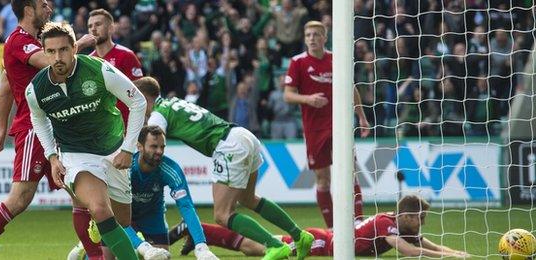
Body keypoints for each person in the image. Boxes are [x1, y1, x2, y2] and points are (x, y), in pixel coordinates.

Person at [0, 1, 96, 258]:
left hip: (61, 124)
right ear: (29, 9)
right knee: (19, 199)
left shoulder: (37, 40)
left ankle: (93, 254)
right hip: (34, 127)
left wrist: (0, 129)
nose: (49, 9)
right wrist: (79, 44)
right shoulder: (18, 41)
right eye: (43, 5)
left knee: (82, 194)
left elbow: (4, 89)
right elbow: (49, 63)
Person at [133, 76, 315, 260]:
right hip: (243, 135)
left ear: (143, 97)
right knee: (249, 199)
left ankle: (275, 246)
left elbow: (153, 139)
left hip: (228, 146)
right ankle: (300, 236)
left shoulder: (157, 114)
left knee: (222, 214)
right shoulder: (172, 102)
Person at [25, 22, 146, 259]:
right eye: (51, 51)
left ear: (74, 48)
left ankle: (97, 224)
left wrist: (128, 149)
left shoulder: (99, 70)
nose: (57, 57)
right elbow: (38, 120)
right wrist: (52, 156)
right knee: (101, 209)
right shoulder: (36, 90)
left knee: (121, 221)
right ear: (44, 52)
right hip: (76, 155)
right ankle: (96, 215)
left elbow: (138, 101)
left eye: (63, 50)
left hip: (113, 150)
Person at [69, 126, 218, 260]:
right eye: (154, 146)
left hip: (152, 217)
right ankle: (86, 247)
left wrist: (201, 247)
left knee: (161, 258)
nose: (159, 151)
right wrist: (145, 248)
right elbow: (113, 213)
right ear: (139, 147)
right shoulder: (124, 167)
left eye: (162, 147)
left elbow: (186, 207)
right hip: (122, 214)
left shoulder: (171, 170)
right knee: (105, 257)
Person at [173, 195, 471, 258]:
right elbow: (407, 250)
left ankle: (200, 232)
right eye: (420, 217)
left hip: (323, 237)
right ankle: (199, 229)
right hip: (320, 243)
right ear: (406, 216)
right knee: (256, 248)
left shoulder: (402, 225)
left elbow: (424, 243)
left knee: (259, 244)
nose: (422, 223)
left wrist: (455, 253)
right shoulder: (386, 224)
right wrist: (444, 257)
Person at [283, 20, 370, 228]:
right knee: (323, 178)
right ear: (305, 39)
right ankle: (333, 228)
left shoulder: (336, 59)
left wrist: (361, 116)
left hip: (339, 126)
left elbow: (351, 88)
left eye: (316, 35)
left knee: (350, 171)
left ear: (324, 37)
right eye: (308, 35)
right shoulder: (298, 62)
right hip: (313, 129)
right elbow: (287, 95)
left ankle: (358, 222)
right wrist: (308, 99)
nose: (312, 38)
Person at [88, 8, 144, 127]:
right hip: (100, 130)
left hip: (126, 126)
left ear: (111, 28)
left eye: (98, 24)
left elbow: (141, 92)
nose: (93, 29)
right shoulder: (88, 61)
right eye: (90, 26)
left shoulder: (126, 55)